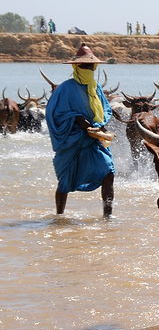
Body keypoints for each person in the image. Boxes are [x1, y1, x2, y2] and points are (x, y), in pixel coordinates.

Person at [45, 44, 115, 217]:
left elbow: (105, 109)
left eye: (90, 66)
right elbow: (53, 114)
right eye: (84, 66)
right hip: (71, 142)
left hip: (93, 140)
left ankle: (108, 216)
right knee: (64, 183)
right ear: (76, 67)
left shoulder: (96, 87)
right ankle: (59, 216)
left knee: (108, 172)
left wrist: (100, 124)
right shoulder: (65, 88)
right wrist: (76, 119)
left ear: (95, 67)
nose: (88, 69)